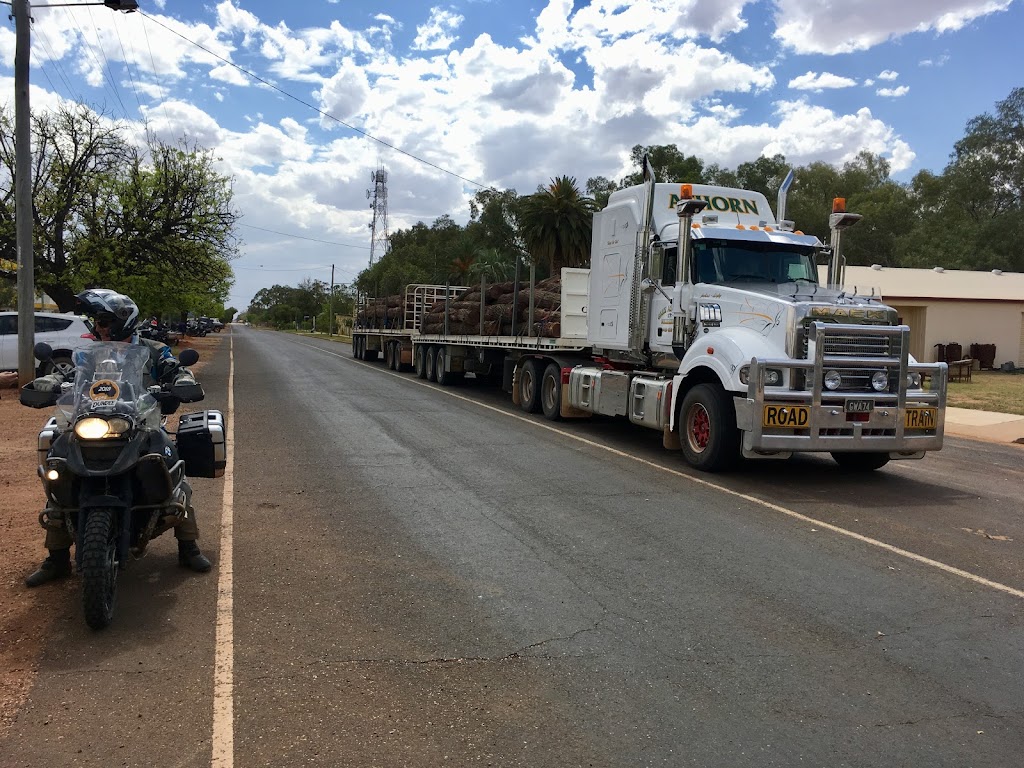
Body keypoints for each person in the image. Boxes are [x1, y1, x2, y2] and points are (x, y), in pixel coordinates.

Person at [24, 289, 212, 587]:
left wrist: (182, 381)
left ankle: (188, 546)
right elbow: (70, 375)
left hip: (141, 421)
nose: (98, 327)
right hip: (91, 421)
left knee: (172, 466)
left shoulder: (153, 348)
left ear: (122, 320)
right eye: (96, 320)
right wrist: (50, 380)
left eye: (103, 320)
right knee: (58, 470)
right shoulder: (87, 353)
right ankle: (57, 558)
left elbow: (175, 369)